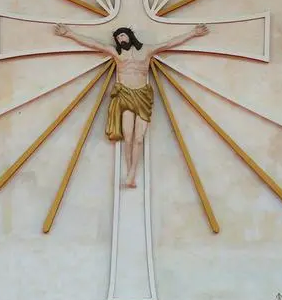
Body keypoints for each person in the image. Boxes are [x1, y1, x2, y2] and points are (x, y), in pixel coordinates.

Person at [54, 23, 209, 188]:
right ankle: (130, 173)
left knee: (139, 139)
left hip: (142, 96)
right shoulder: (116, 53)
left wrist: (193, 33)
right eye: (118, 37)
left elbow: (169, 43)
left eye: (123, 36)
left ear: (129, 36)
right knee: (128, 137)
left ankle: (132, 172)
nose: (121, 39)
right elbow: (93, 43)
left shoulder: (146, 50)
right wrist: (70, 34)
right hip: (125, 95)